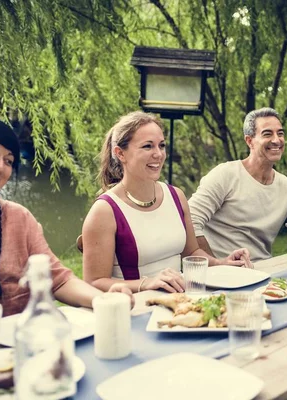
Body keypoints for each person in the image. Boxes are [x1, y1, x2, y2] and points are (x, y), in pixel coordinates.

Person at [0, 115, 133, 337]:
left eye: (9, 160)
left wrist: (103, 299)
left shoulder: (18, 217)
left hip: (27, 343)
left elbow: (58, 280)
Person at [82, 111, 252, 294]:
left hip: (180, 303)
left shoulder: (176, 196)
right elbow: (94, 282)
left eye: (161, 146)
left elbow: (192, 253)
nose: (158, 154)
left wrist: (222, 264)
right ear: (120, 154)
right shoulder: (105, 211)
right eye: (147, 146)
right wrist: (146, 283)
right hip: (135, 309)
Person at [188, 107, 287, 262]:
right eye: (267, 134)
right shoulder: (225, 175)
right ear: (249, 141)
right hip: (223, 278)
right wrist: (217, 266)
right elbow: (189, 221)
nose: (276, 140)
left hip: (264, 274)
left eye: (280, 133)